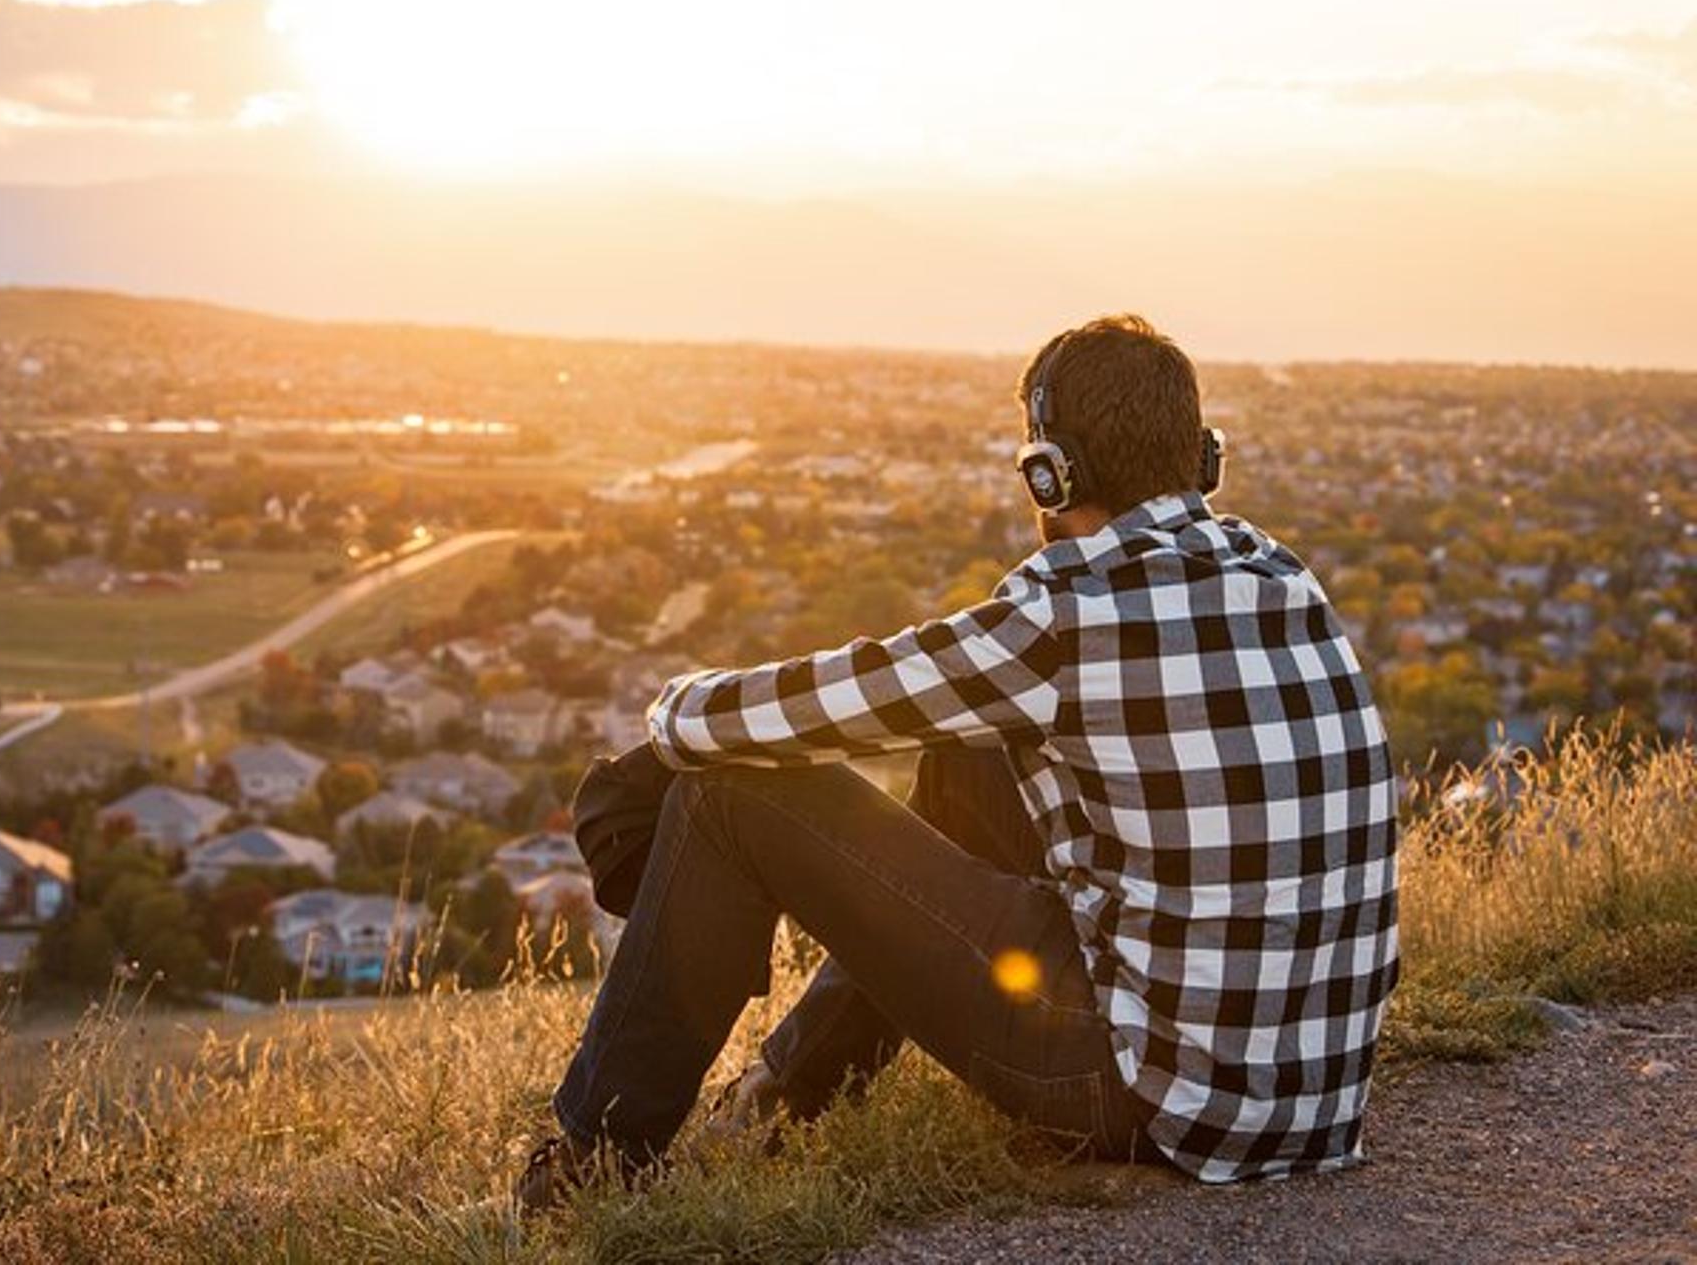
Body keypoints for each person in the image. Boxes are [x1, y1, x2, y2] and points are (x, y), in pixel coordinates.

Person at [517, 315, 1399, 1210]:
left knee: (726, 797)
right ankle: (779, 1104)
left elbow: (828, 702)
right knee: (968, 760)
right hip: (1318, 1101)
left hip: (1144, 1096)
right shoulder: (1284, 577)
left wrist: (665, 728)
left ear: (1050, 473)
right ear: (1201, 458)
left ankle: (587, 1174)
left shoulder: (1067, 617)